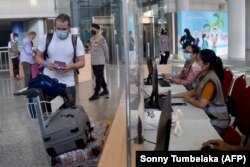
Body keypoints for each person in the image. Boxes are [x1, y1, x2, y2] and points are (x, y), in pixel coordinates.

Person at [172, 49, 229, 135]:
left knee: (187, 129)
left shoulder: (210, 80)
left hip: (217, 120)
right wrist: (172, 95)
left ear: (206, 65)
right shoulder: (203, 74)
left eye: (198, 60)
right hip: (207, 115)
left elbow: (201, 104)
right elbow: (193, 92)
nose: (195, 62)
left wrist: (188, 99)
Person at [35, 13, 85, 106]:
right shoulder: (47, 38)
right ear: (55, 27)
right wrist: (46, 64)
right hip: (49, 82)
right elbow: (38, 57)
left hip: (68, 83)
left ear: (69, 28)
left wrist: (71, 66)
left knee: (69, 114)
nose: (61, 31)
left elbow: (82, 62)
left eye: (64, 29)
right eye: (58, 28)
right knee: (49, 114)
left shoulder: (75, 40)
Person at [89, 23, 109, 101]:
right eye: (91, 29)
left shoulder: (101, 39)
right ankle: (105, 89)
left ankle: (96, 93)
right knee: (100, 76)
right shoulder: (92, 38)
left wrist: (107, 59)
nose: (92, 30)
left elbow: (106, 49)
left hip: (100, 61)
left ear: (97, 30)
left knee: (98, 77)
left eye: (93, 29)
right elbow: (92, 49)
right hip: (93, 61)